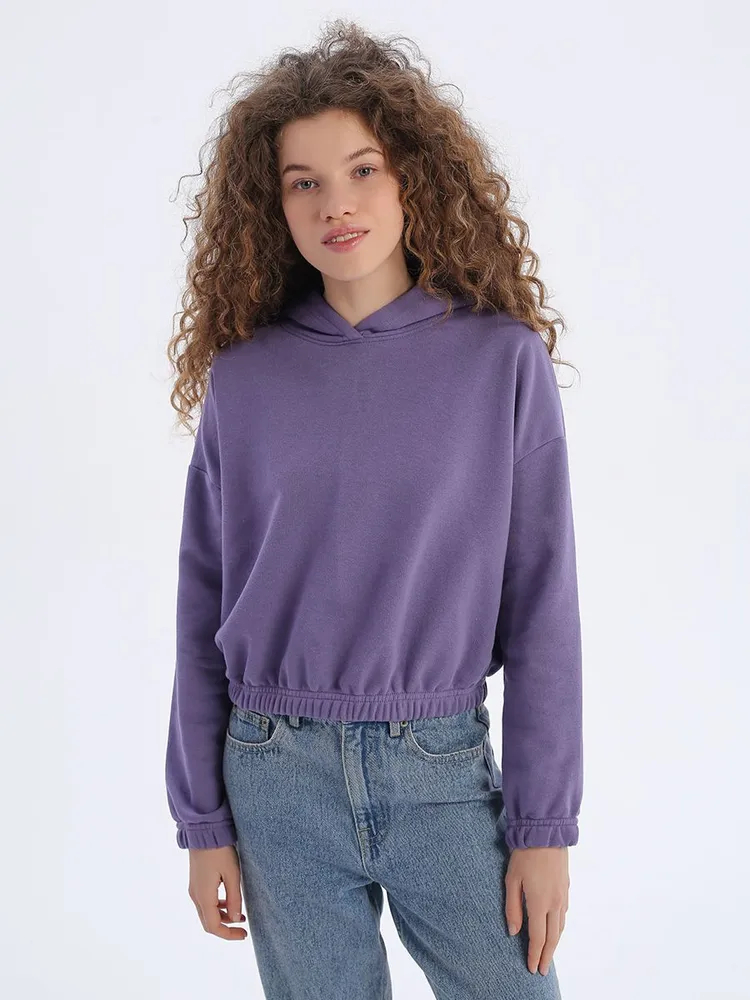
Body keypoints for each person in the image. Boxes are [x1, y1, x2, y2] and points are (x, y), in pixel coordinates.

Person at [164, 19, 583, 1000]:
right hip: (273, 773)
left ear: (412, 177)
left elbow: (544, 603)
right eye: (302, 182)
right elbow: (200, 605)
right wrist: (202, 819)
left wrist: (544, 826)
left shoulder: (501, 363)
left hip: (439, 766)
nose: (335, 204)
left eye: (362, 170)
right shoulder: (245, 379)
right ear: (273, 205)